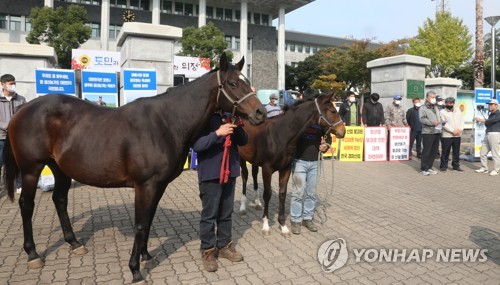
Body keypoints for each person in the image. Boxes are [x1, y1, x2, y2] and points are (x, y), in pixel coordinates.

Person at [192, 112, 247, 272]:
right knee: (209, 215)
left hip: (230, 171)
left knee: (226, 213)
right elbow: (197, 145)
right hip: (211, 173)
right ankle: (208, 251)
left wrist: (235, 126)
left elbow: (244, 140)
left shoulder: (230, 116)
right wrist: (218, 133)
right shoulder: (203, 116)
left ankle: (224, 246)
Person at [290, 124, 331, 235]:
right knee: (297, 192)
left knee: (311, 193)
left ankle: (307, 219)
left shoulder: (320, 123)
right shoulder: (302, 119)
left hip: (315, 162)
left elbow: (329, 137)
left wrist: (326, 146)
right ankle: (295, 220)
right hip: (299, 161)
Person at [0, 74, 26, 193]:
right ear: (2, 85)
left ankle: (19, 184)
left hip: (17, 138)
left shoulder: (21, 99)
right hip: (2, 137)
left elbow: (24, 116)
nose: (13, 85)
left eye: (14, 83)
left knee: (18, 161)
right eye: (10, 83)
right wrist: (7, 127)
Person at [419, 91, 442, 176]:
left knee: (434, 151)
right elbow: (422, 119)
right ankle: (424, 168)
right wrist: (432, 123)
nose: (433, 99)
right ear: (427, 98)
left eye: (434, 97)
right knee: (427, 150)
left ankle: (429, 167)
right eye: (432, 97)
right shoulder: (423, 108)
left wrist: (441, 122)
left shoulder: (436, 107)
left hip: (437, 131)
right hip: (428, 132)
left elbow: (438, 118)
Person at [474, 99, 500, 176]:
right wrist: (485, 121)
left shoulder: (498, 113)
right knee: (482, 152)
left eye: (491, 104)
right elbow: (488, 123)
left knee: (494, 153)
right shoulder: (491, 114)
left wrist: (482, 120)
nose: (489, 106)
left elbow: (491, 121)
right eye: (489, 104)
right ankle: (484, 168)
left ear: (496, 105)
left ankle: (496, 170)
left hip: (495, 134)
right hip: (488, 133)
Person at [439, 97, 465, 172]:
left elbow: (462, 120)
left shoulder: (458, 110)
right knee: (445, 152)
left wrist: (460, 129)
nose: (449, 104)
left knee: (456, 151)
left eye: (451, 103)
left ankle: (456, 166)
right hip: (447, 135)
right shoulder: (442, 112)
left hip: (457, 134)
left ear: (453, 103)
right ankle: (443, 166)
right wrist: (452, 131)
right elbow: (443, 123)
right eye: (447, 103)